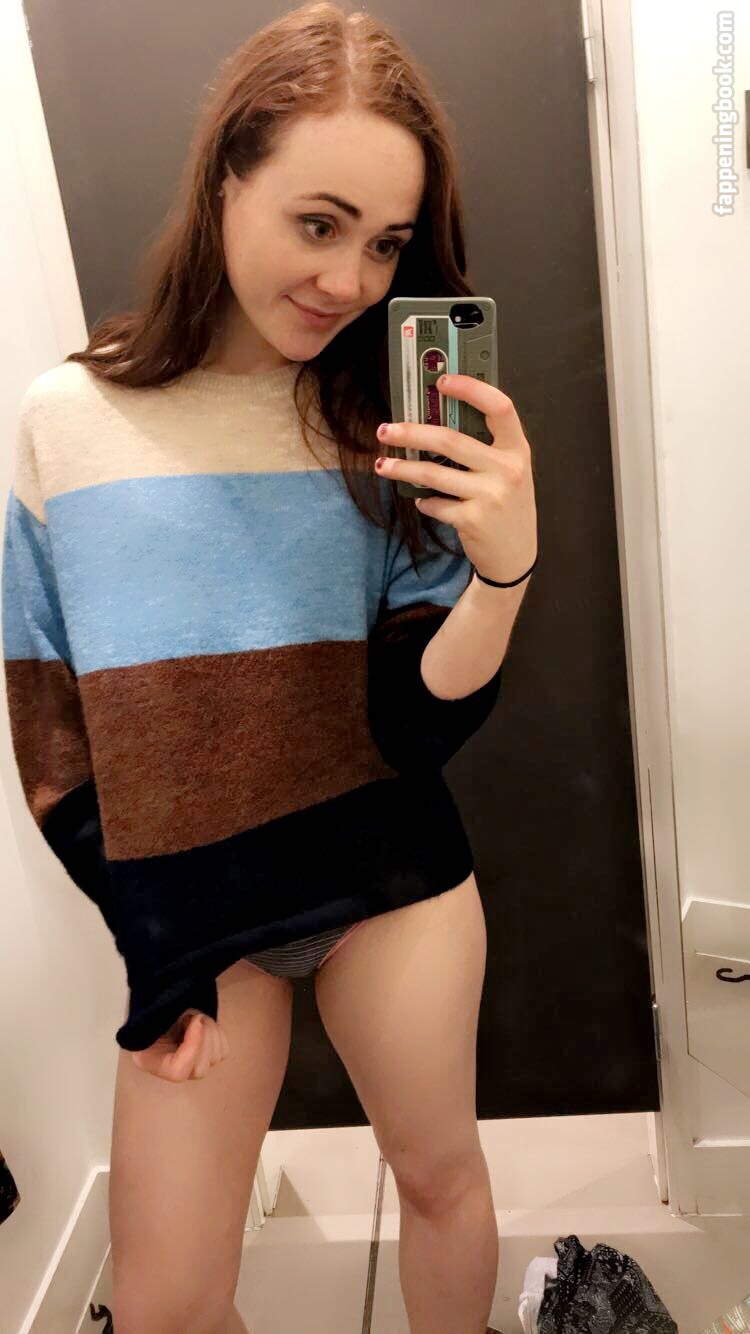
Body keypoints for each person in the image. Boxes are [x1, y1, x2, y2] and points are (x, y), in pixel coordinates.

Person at [2, 3, 537, 1331]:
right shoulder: (67, 421)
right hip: (199, 914)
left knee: (440, 1178)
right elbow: (52, 726)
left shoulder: (387, 421)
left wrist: (504, 573)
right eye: (319, 222)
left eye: (386, 243)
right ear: (224, 181)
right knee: (169, 1303)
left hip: (385, 874)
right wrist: (149, 936)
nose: (351, 280)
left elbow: (415, 723)